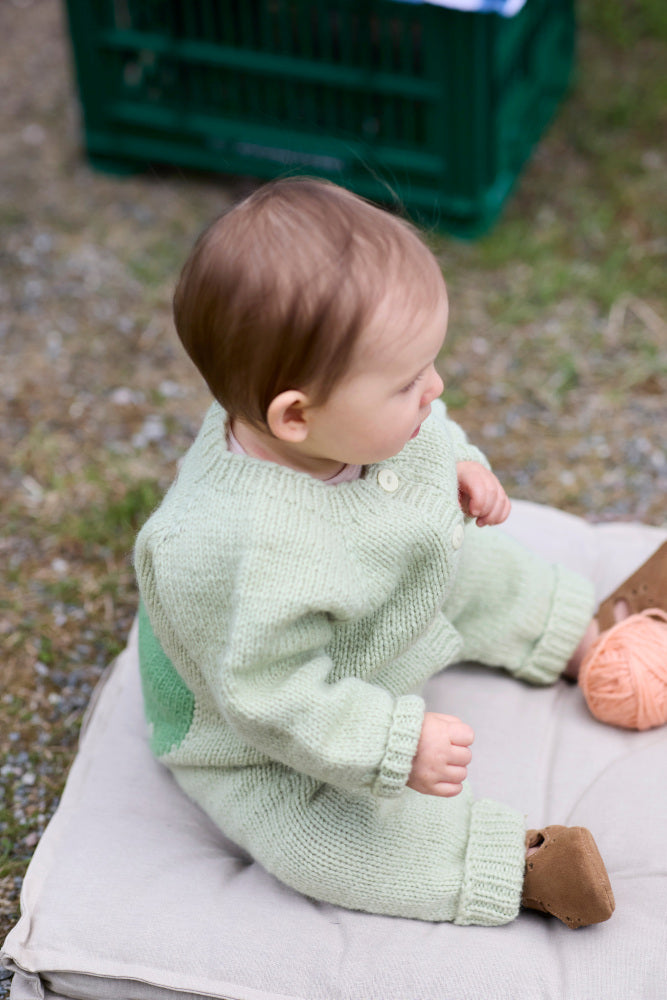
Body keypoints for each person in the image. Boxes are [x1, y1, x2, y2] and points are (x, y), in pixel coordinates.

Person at [134, 177, 614, 929]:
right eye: (407, 382)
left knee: (469, 566)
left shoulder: (337, 422)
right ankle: (511, 865)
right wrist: (395, 742)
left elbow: (429, 430)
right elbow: (271, 699)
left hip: (369, 605)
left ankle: (586, 636)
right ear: (295, 416)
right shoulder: (239, 549)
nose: (436, 386)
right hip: (255, 723)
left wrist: (460, 463)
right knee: (314, 835)